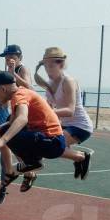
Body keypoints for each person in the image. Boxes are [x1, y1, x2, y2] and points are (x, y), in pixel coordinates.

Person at [0, 71, 91, 204]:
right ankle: (25, 166)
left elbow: (22, 119)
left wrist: (2, 140)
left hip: (52, 143)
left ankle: (30, 163)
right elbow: (11, 123)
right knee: (8, 127)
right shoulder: (20, 94)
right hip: (51, 142)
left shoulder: (19, 95)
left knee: (8, 132)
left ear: (2, 88)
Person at [34, 47, 94, 178]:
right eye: (46, 67)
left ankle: (81, 157)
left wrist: (48, 112)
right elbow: (49, 107)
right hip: (65, 125)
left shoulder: (68, 81)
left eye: (51, 66)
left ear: (60, 64)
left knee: (52, 146)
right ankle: (77, 158)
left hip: (80, 126)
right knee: (39, 140)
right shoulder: (49, 84)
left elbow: (70, 110)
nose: (48, 70)